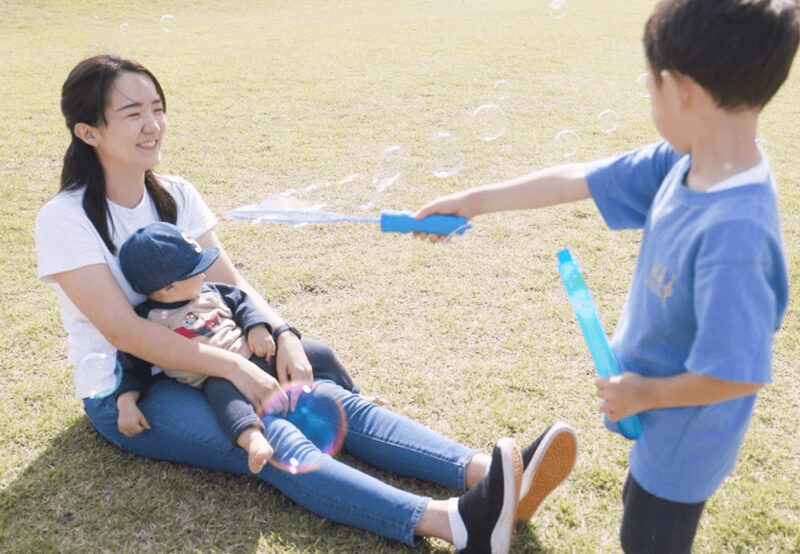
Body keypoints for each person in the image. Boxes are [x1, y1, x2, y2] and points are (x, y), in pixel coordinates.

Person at [35, 53, 578, 553]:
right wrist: (236, 368)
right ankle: (454, 524)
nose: (152, 124)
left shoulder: (174, 192)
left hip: (218, 352)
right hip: (133, 386)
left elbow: (229, 282)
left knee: (321, 396)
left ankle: (490, 475)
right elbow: (125, 333)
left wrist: (284, 333)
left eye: (157, 108)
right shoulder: (64, 219)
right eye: (132, 113)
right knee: (272, 434)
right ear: (88, 131)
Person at [414, 1, 799, 552]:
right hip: (658, 421)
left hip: (683, 442)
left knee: (647, 536)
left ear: (683, 89)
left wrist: (645, 392)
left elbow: (738, 374)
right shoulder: (687, 160)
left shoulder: (735, 233)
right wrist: (473, 201)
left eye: (652, 82)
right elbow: (578, 178)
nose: (648, 91)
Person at [114, 220, 365, 474]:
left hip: (258, 354)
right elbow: (132, 365)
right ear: (168, 288)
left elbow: (243, 303)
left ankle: (353, 393)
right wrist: (126, 404)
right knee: (227, 403)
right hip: (217, 377)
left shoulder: (212, 291)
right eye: (196, 270)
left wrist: (257, 328)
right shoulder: (149, 320)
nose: (205, 273)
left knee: (318, 351)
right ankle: (252, 439)